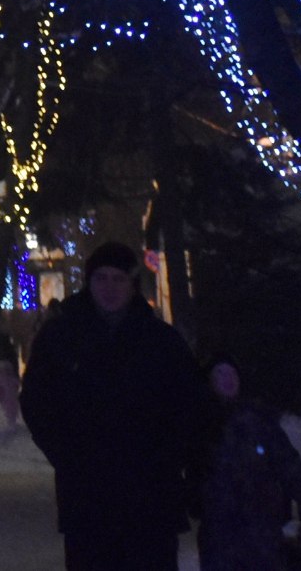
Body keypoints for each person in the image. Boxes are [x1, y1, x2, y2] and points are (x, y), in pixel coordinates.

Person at [21, 241, 205, 571]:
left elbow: (188, 405)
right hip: (88, 494)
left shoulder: (160, 341)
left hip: (150, 495)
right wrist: (66, 454)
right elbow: (37, 401)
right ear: (89, 283)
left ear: (132, 284)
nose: (109, 288)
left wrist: (168, 457)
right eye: (101, 279)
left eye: (118, 279)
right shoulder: (62, 337)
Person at [192, 356, 301, 571]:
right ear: (209, 382)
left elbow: (289, 467)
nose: (228, 379)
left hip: (262, 540)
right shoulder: (201, 428)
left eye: (232, 373)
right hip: (219, 544)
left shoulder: (259, 423)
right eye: (220, 373)